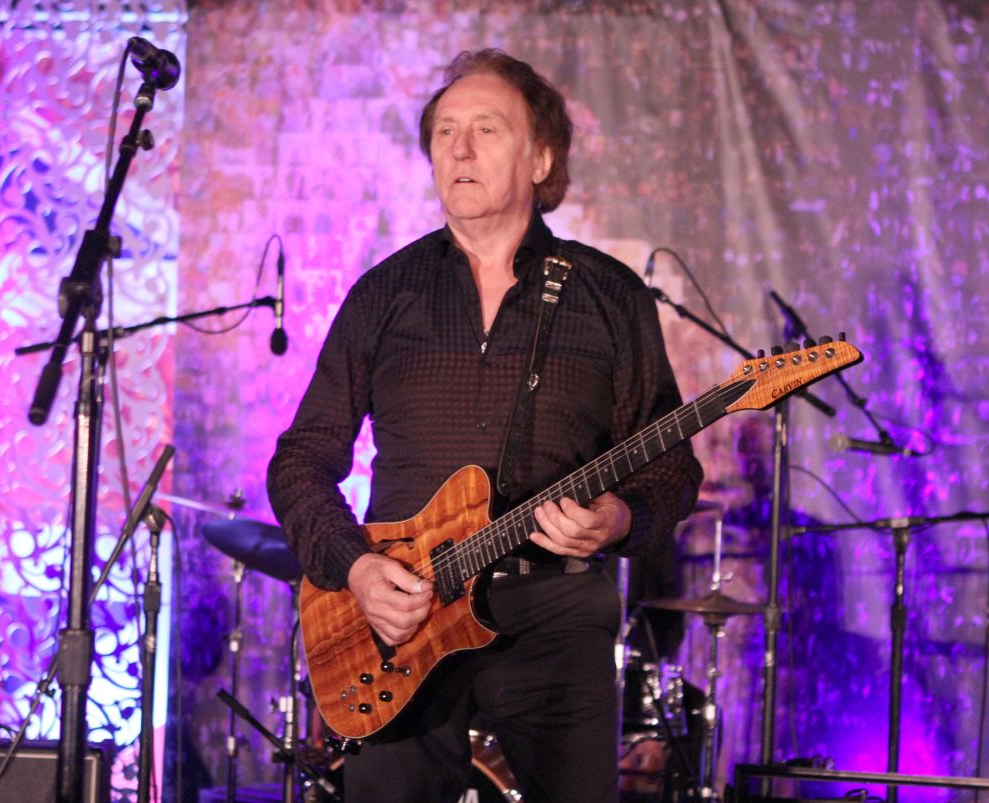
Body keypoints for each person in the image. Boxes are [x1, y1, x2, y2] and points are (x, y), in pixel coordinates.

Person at [267, 49, 703, 803]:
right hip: (400, 614)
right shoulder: (385, 293)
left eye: (486, 130)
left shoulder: (608, 295)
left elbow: (672, 468)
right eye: (444, 131)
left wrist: (618, 517)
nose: (460, 149)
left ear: (540, 158)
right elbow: (300, 461)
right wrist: (357, 569)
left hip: (554, 612)